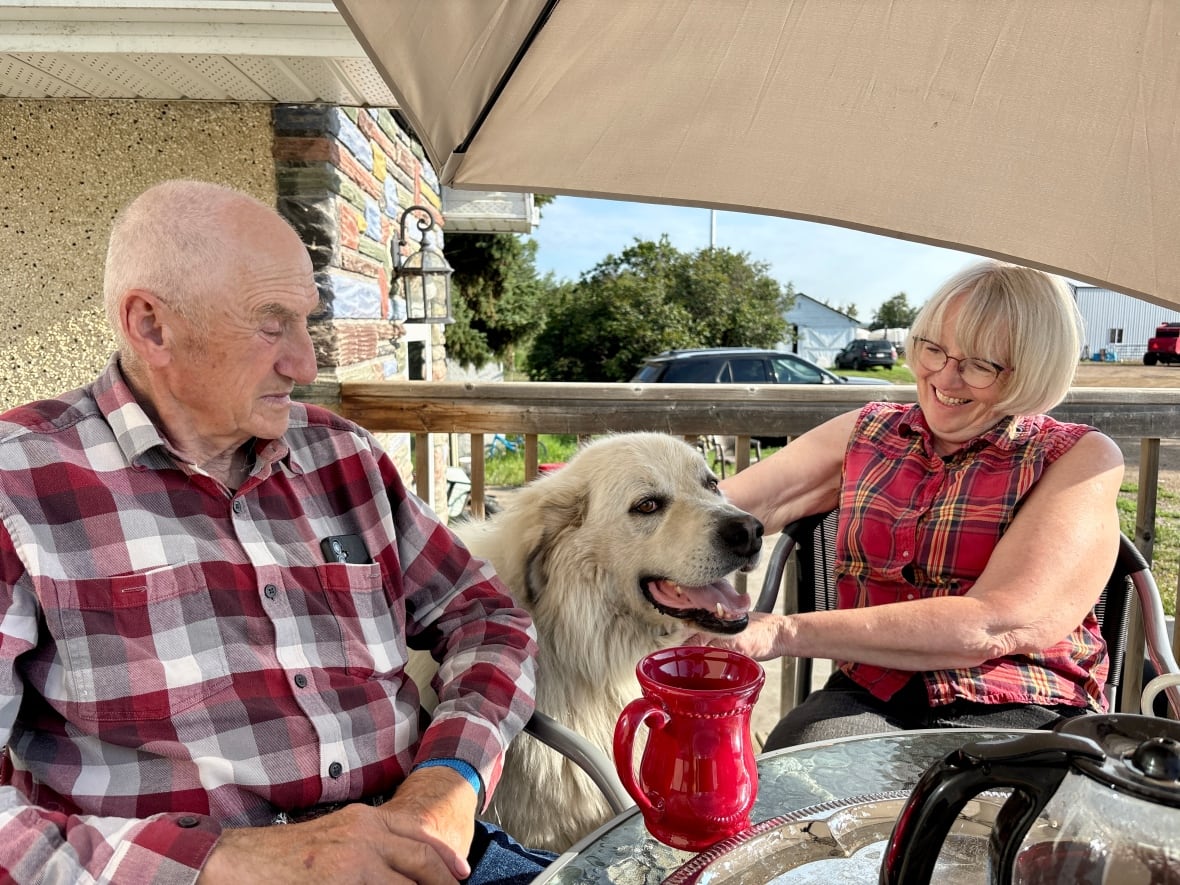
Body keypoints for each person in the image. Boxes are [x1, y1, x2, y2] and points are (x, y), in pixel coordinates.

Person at [0, 180, 553, 884]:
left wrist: (446, 782)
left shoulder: (341, 458)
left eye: (306, 321)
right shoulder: (22, 481)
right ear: (150, 326)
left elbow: (487, 617)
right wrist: (221, 862)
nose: (307, 363)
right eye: (272, 324)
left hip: (420, 851)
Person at [695, 260, 1124, 750]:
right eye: (933, 349)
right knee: (794, 787)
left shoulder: (1076, 457)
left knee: (976, 812)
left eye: (980, 365)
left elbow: (993, 623)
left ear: (1034, 371)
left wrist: (782, 632)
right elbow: (728, 505)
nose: (945, 377)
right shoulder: (869, 431)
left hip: (1019, 703)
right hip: (870, 693)